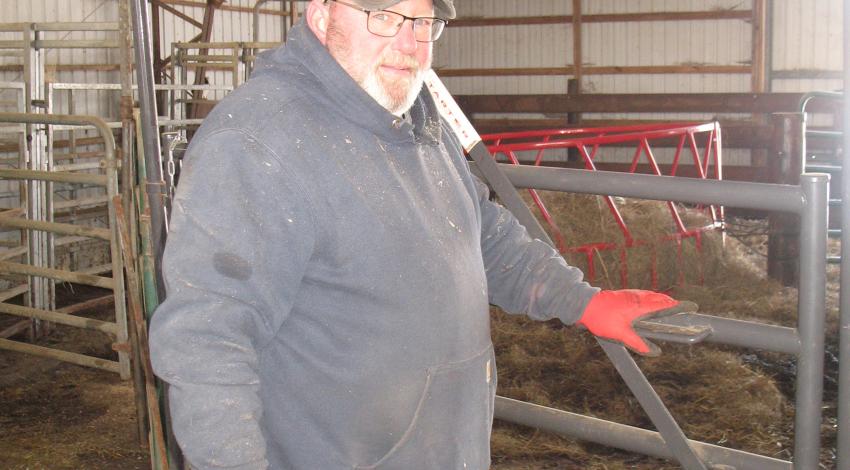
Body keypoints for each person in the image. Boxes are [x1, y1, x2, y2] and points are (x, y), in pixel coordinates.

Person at [149, 0, 680, 468]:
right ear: (320, 15)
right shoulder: (259, 143)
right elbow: (208, 340)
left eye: (424, 20)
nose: (410, 41)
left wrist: (582, 301)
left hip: (446, 449)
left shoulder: (414, 117)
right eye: (384, 16)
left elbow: (481, 232)